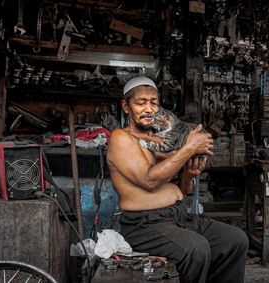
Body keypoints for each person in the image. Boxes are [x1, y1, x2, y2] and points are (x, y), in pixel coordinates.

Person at [107, 77, 249, 283]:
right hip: (145, 225)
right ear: (126, 106)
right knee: (196, 248)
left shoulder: (158, 141)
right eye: (140, 103)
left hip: (177, 217)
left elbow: (180, 192)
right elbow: (149, 181)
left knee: (235, 240)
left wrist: (188, 175)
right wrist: (189, 148)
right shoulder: (121, 138)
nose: (149, 109)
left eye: (154, 103)